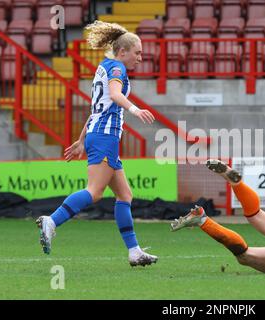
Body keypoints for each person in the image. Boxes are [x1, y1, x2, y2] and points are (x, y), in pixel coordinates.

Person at [36, 21, 158, 267]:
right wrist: (135, 109)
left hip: (98, 134)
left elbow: (96, 109)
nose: (141, 58)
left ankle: (134, 251)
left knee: (124, 195)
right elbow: (114, 95)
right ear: (123, 52)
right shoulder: (117, 68)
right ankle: (52, 220)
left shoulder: (103, 67)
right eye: (138, 53)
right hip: (105, 136)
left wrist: (81, 140)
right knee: (95, 192)